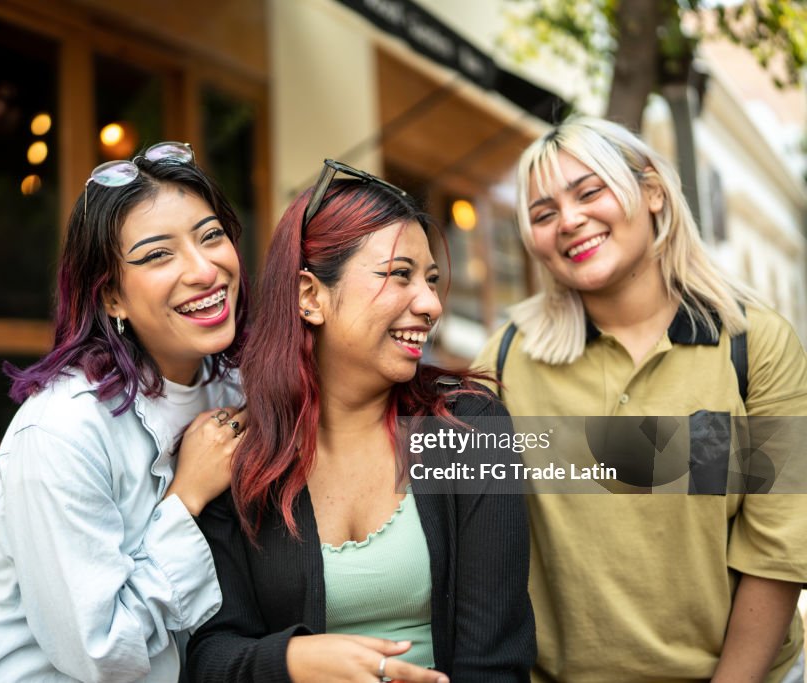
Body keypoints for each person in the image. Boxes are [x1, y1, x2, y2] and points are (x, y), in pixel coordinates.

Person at [473, 116, 807, 682]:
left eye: (589, 192)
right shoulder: (503, 360)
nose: (570, 221)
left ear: (652, 191)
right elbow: (468, 538)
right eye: (543, 213)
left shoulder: (756, 344)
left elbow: (779, 546)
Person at [187, 160, 536, 683]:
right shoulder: (239, 454)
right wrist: (294, 661)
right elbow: (207, 655)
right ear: (311, 297)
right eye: (399, 275)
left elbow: (496, 661)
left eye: (432, 280)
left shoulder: (470, 428)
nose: (431, 303)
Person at [0, 142, 249, 682]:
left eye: (210, 236)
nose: (204, 270)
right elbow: (101, 652)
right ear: (111, 299)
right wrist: (187, 496)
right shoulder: (61, 430)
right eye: (157, 255)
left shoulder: (233, 388)